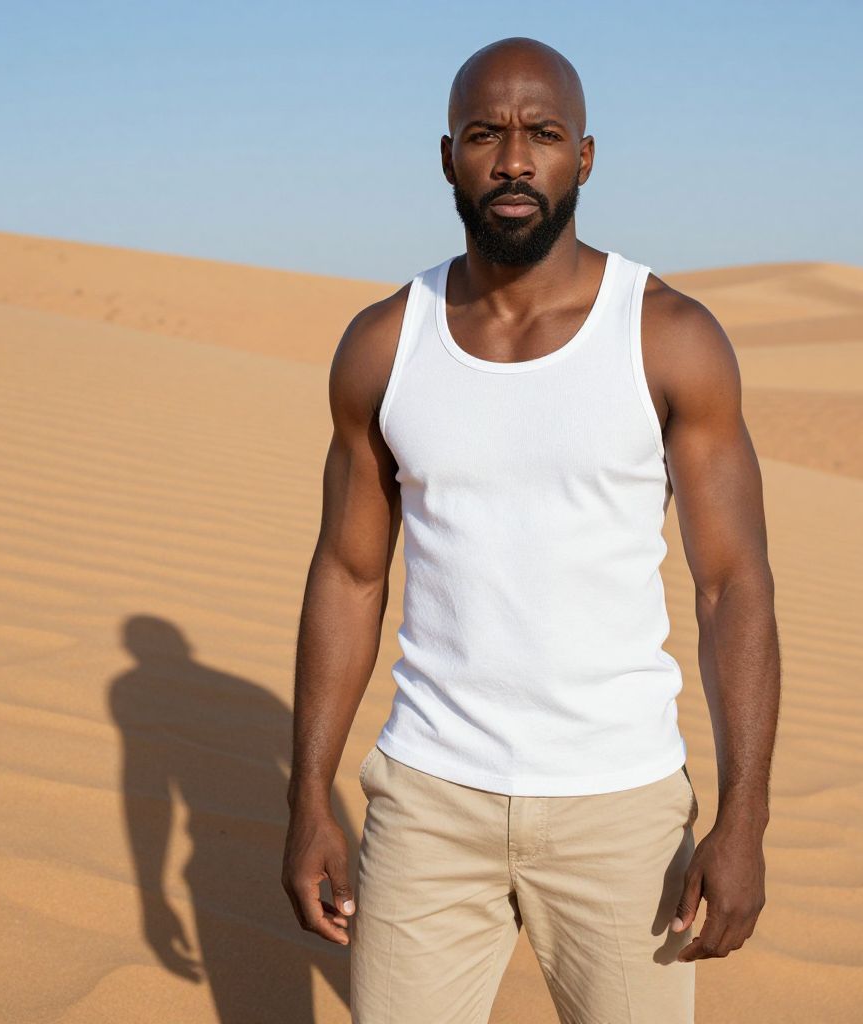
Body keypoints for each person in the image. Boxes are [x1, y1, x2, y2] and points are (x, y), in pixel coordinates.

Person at [282, 35, 780, 1024]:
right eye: (486, 134)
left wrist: (745, 816)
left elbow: (734, 587)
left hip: (622, 807)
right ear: (447, 157)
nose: (514, 159)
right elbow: (347, 575)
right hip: (428, 802)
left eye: (542, 134)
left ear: (582, 158)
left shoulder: (668, 336)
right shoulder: (386, 343)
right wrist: (308, 796)